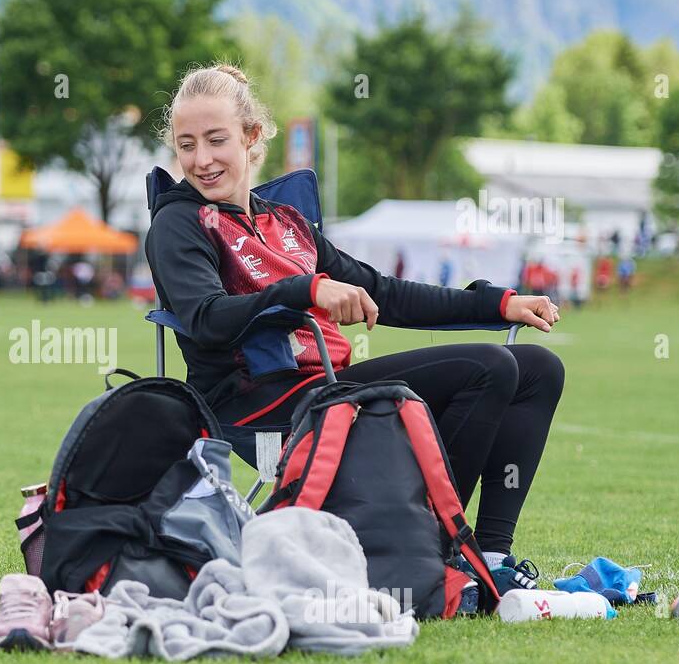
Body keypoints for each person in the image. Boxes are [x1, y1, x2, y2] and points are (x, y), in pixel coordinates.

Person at [147, 63, 565, 588]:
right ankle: (438, 545)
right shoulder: (177, 222)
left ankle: (495, 559)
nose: (201, 160)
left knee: (537, 368)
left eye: (215, 140)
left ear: (251, 137)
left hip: (329, 385)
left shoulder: (287, 224)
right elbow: (206, 319)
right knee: (488, 367)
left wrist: (495, 303)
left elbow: (381, 292)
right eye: (186, 146)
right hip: (260, 403)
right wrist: (307, 289)